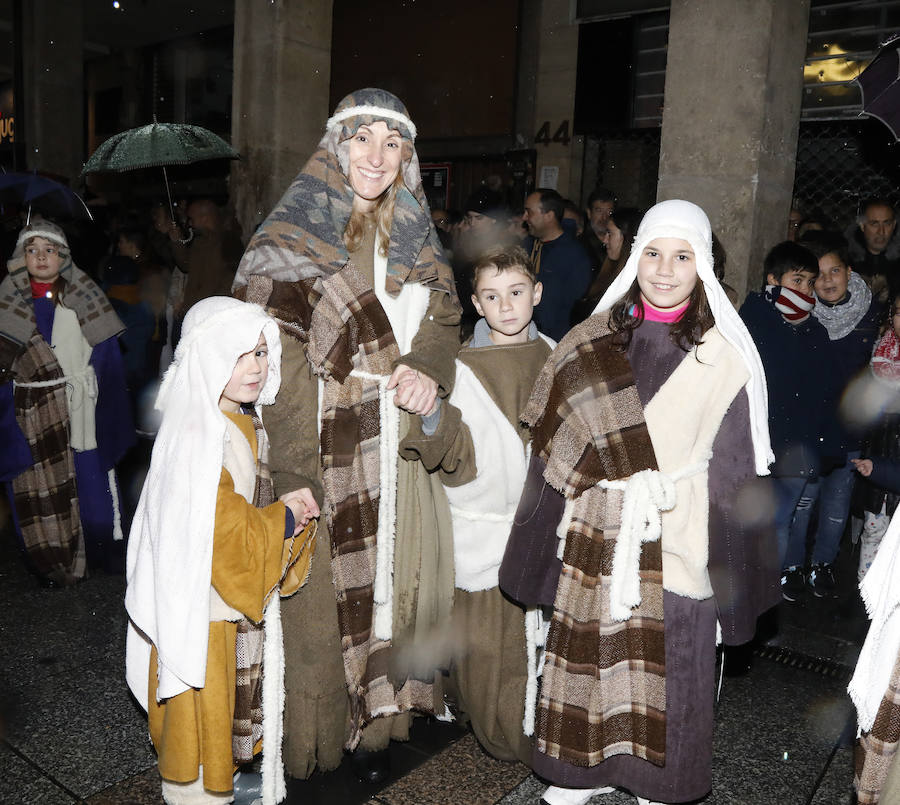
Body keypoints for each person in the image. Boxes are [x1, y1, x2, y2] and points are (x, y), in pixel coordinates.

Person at [499, 199, 778, 805]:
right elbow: (552, 447)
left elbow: (735, 474)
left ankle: (659, 780)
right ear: (632, 258)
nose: (665, 269)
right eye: (652, 252)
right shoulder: (590, 339)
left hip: (677, 528)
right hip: (595, 523)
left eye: (682, 256)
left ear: (703, 265)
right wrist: (533, 554)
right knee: (586, 653)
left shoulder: (724, 355)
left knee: (672, 660)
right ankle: (580, 772)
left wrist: (736, 589)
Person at [232, 88, 461, 783]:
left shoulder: (416, 237)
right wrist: (296, 467)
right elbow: (277, 359)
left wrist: (426, 367)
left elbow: (445, 317)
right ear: (335, 145)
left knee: (396, 582)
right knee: (323, 599)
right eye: (362, 138)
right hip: (326, 440)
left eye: (393, 143)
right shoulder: (289, 240)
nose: (377, 156)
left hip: (398, 448)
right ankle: (317, 733)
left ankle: (386, 720)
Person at [124, 296, 318, 805]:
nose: (255, 367)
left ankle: (219, 780)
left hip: (210, 599)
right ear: (207, 358)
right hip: (202, 608)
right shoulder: (202, 431)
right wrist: (288, 518)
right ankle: (199, 794)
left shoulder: (231, 416)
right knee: (203, 708)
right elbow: (221, 528)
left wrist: (276, 511)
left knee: (220, 706)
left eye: (260, 352)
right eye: (238, 355)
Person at [400, 244, 553, 765]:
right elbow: (452, 448)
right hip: (484, 529)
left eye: (515, 292)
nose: (506, 306)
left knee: (530, 641)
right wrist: (430, 416)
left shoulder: (554, 355)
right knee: (490, 645)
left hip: (541, 526)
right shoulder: (460, 368)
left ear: (536, 293)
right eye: (491, 296)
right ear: (475, 304)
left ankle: (526, 722)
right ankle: (505, 734)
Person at [0, 220, 134, 585]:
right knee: (40, 482)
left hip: (78, 409)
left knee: (89, 479)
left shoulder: (85, 295)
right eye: (32, 249)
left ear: (64, 256)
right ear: (20, 257)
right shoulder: (8, 301)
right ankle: (51, 559)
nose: (41, 257)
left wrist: (103, 405)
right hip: (31, 409)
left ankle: (100, 550)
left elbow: (107, 358)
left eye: (50, 249)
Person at [739, 241, 840, 602]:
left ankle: (764, 598)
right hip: (753, 447)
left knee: (779, 523)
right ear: (772, 280)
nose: (806, 292)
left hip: (795, 450)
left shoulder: (815, 332)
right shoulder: (747, 326)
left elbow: (826, 395)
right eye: (797, 281)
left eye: (810, 283)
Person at [786, 233, 883, 596]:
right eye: (820, 274)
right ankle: (792, 566)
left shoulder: (872, 313)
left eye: (835, 271)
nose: (828, 281)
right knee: (804, 501)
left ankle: (823, 564)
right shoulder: (800, 315)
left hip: (850, 428)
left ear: (849, 271)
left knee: (837, 504)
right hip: (810, 425)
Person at [853, 297, 900, 581]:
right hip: (880, 457)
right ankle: (865, 592)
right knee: (873, 530)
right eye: (898, 312)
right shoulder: (880, 354)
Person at [523, 188, 592, 341]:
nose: (524, 217)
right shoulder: (528, 246)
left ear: (549, 216)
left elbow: (570, 306)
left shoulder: (573, 255)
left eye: (529, 212)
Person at [848, 199, 900, 303]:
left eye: (887, 223)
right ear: (862, 225)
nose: (881, 231)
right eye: (874, 224)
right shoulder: (846, 257)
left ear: (894, 225)